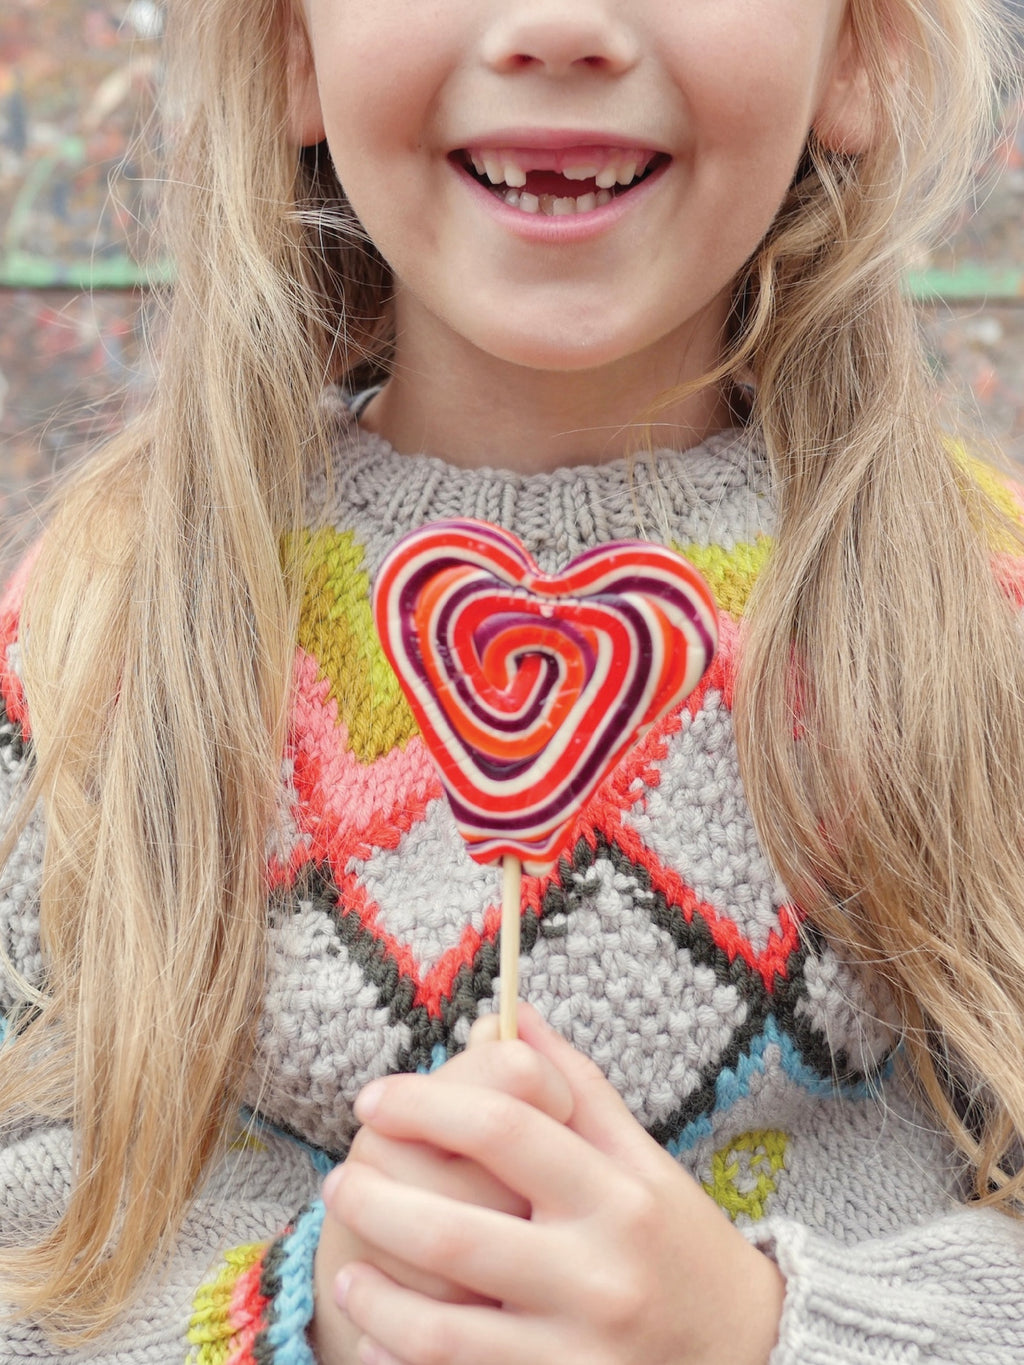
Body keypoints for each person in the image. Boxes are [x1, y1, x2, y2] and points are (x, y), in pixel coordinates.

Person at [1, 0, 1024, 1360]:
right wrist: (292, 1318)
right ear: (294, 48)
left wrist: (761, 1331)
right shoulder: (103, 629)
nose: (557, 24)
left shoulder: (979, 618)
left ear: (858, 51)